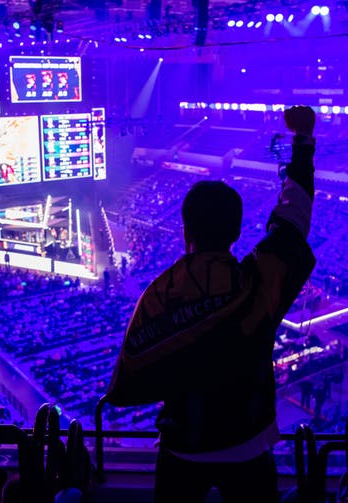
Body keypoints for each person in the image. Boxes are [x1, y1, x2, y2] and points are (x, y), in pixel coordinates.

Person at [106, 106, 317, 503]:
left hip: (182, 444)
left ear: (185, 229)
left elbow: (125, 384)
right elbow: (293, 220)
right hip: (250, 441)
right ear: (238, 231)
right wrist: (302, 140)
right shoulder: (258, 281)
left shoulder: (159, 293)